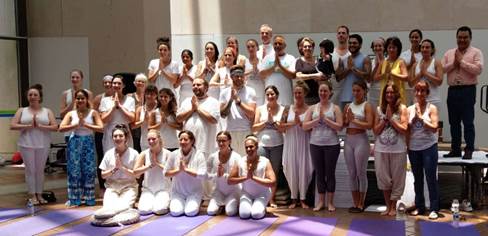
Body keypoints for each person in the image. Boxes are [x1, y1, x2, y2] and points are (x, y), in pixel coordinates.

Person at [10, 84, 58, 205]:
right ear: (27, 97)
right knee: (30, 170)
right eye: (30, 94)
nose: (32, 97)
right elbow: (13, 125)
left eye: (35, 95)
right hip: (27, 144)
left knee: (39, 170)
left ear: (39, 97)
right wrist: (28, 126)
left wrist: (41, 126)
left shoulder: (47, 111)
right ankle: (32, 195)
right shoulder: (22, 110)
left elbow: (55, 126)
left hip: (43, 144)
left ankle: (40, 194)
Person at [442, 26, 484, 159]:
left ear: (470, 38)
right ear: (456, 38)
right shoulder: (449, 53)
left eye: (465, 37)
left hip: (468, 90)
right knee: (453, 122)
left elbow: (478, 69)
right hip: (453, 90)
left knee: (468, 121)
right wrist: (454, 64)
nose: (462, 39)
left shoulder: (476, 52)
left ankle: (469, 149)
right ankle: (455, 149)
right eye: (460, 37)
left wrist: (462, 62)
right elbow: (442, 69)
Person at [302, 81, 343, 212]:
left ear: (330, 92)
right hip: (315, 144)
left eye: (325, 91)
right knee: (319, 174)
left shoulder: (335, 108)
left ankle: (330, 202)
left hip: (332, 144)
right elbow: (305, 126)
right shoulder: (312, 108)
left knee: (329, 173)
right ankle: (320, 202)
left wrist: (325, 120)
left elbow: (339, 127)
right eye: (321, 91)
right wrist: (317, 120)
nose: (323, 93)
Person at [59, 89, 103, 207]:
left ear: (87, 99)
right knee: (74, 170)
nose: (80, 100)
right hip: (75, 142)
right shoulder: (71, 114)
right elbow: (61, 128)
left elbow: (101, 127)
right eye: (78, 98)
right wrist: (75, 125)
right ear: (75, 100)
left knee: (88, 170)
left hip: (88, 141)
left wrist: (85, 124)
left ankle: (89, 197)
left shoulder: (93, 112)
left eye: (82, 98)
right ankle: (74, 198)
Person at [372, 83, 408, 216]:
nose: (389, 95)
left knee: (397, 180)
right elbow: (375, 130)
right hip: (381, 149)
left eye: (392, 92)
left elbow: (404, 129)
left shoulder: (402, 109)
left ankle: (393, 206)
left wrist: (391, 118)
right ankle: (388, 206)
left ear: (396, 94)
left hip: (398, 149)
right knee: (383, 179)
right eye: (387, 92)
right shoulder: (378, 109)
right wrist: (384, 120)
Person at [407, 81, 440, 220]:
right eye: (417, 90)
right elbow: (406, 130)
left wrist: (421, 119)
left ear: (427, 93)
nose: (419, 93)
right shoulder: (409, 109)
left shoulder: (432, 108)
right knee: (417, 179)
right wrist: (411, 122)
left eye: (423, 91)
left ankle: (434, 208)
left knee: (431, 178)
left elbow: (434, 127)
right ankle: (420, 207)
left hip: (429, 147)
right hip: (414, 148)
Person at [95, 124, 140, 223]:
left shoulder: (134, 153)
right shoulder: (108, 153)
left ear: (126, 138)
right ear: (112, 138)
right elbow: (103, 175)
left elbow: (137, 175)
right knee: (108, 209)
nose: (118, 138)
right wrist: (114, 169)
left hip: (129, 186)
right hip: (112, 186)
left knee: (123, 208)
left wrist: (122, 168)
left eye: (120, 136)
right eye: (115, 136)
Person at [280, 81, 313, 209]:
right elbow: (281, 127)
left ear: (304, 93)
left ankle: (303, 199)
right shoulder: (287, 109)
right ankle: (294, 198)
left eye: (300, 93)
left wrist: (301, 124)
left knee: (305, 169)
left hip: (304, 142)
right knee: (290, 168)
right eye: (295, 93)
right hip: (290, 142)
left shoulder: (310, 109)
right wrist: (294, 124)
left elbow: (312, 128)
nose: (297, 95)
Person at [342, 80, 374, 213]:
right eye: (353, 90)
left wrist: (353, 120)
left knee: (361, 173)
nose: (355, 93)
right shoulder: (348, 106)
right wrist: (346, 120)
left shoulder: (366, 106)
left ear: (364, 91)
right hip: (348, 140)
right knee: (352, 173)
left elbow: (369, 125)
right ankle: (355, 202)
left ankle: (361, 202)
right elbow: (344, 124)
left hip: (361, 139)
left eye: (358, 90)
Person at [228, 135, 276, 219]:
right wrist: (245, 178)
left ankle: (262, 208)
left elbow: (272, 182)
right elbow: (230, 180)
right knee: (244, 214)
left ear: (257, 147)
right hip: (246, 194)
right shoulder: (240, 161)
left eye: (251, 147)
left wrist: (253, 178)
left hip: (262, 194)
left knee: (256, 214)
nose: (248, 149)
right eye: (246, 147)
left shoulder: (265, 161)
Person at [252, 85, 284, 208]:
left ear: (277, 95)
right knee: (261, 171)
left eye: (272, 94)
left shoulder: (282, 109)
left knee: (274, 173)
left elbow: (283, 128)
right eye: (268, 95)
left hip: (277, 144)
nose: (270, 96)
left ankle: (271, 199)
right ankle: (260, 197)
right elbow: (254, 127)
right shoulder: (260, 109)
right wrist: (265, 122)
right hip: (262, 144)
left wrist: (274, 122)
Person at [164, 130, 207, 217]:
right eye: (181, 139)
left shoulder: (199, 155)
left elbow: (203, 175)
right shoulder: (173, 154)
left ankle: (197, 201)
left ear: (192, 141)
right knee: (176, 212)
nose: (183, 142)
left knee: (190, 212)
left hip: (194, 192)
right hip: (177, 192)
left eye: (185, 139)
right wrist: (178, 170)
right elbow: (166, 173)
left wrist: (186, 170)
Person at [176, 78, 220, 158]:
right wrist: (191, 109)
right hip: (187, 146)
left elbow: (213, 120)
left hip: (205, 146)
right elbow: (179, 119)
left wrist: (198, 109)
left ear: (206, 88)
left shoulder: (213, 102)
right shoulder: (186, 101)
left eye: (199, 85)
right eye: (193, 85)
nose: (195, 87)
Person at [220, 65, 257, 155]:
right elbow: (223, 114)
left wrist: (238, 101)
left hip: (246, 131)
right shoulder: (224, 92)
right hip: (231, 131)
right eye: (237, 76)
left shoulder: (250, 91)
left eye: (242, 76)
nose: (240, 78)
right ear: (231, 77)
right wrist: (231, 100)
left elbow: (252, 113)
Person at [133, 129, 172, 215]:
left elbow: (173, 172)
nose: (151, 141)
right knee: (144, 211)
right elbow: (135, 173)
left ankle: (166, 201)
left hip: (163, 189)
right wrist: (149, 166)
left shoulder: (167, 153)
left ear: (159, 139)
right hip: (148, 190)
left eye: (153, 139)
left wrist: (157, 164)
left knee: (159, 210)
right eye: (149, 139)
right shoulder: (143, 154)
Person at [206, 131, 242, 216]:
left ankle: (232, 203)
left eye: (224, 141)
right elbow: (206, 175)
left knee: (230, 212)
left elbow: (240, 176)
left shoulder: (237, 157)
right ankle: (221, 204)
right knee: (210, 212)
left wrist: (224, 176)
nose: (221, 143)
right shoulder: (212, 157)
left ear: (229, 141)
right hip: (218, 191)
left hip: (233, 191)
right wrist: (217, 175)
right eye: (219, 141)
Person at [100, 75, 136, 153]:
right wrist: (113, 107)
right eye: (114, 83)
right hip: (110, 132)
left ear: (123, 85)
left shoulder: (130, 100)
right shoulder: (105, 100)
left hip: (125, 131)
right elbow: (104, 119)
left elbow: (132, 118)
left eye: (119, 83)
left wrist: (120, 106)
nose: (116, 85)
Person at [336, 34, 371, 109]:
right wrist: (348, 69)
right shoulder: (343, 59)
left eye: (355, 43)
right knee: (345, 120)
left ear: (360, 45)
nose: (352, 45)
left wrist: (353, 69)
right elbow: (338, 78)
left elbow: (368, 78)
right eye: (350, 43)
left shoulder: (365, 58)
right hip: (345, 97)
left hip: (359, 97)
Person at [259, 35, 296, 105]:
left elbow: (293, 75)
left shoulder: (291, 58)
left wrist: (280, 66)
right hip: (270, 98)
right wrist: (273, 67)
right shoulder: (267, 58)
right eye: (275, 43)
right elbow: (261, 75)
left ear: (285, 46)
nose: (277, 45)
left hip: (286, 100)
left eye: (280, 43)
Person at [409, 39, 444, 110]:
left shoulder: (437, 62)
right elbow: (411, 83)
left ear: (432, 50)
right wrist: (420, 74)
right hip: (418, 100)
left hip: (433, 100)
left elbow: (439, 81)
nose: (424, 49)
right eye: (422, 47)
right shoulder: (415, 65)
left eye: (427, 47)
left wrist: (426, 73)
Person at [374, 37, 409, 106]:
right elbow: (375, 78)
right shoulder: (383, 62)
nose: (391, 50)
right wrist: (385, 74)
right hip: (385, 97)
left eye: (394, 47)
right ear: (386, 49)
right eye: (389, 47)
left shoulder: (401, 62)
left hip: (398, 97)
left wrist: (392, 73)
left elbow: (406, 77)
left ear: (398, 49)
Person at [93, 75, 114, 190]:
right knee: (102, 157)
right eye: (105, 82)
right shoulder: (98, 98)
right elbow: (93, 115)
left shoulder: (118, 97)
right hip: (101, 131)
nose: (107, 84)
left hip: (113, 131)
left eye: (109, 82)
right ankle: (102, 187)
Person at [295, 37, 327, 105]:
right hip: (305, 97)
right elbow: (299, 76)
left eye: (309, 46)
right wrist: (315, 76)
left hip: (320, 96)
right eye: (305, 46)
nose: (307, 48)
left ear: (313, 48)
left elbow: (325, 75)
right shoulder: (299, 61)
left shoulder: (319, 60)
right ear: (302, 49)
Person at [133, 84, 159, 151]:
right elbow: (133, 126)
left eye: (152, 94)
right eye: (147, 94)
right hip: (144, 141)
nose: (149, 96)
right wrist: (143, 121)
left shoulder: (160, 108)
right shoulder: (139, 109)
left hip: (158, 141)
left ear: (156, 95)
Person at [331, 25, 351, 104]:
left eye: (343, 33)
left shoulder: (352, 53)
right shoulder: (331, 53)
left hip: (349, 93)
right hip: (333, 94)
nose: (341, 35)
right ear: (337, 36)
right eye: (339, 33)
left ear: (348, 36)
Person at [128, 73, 148, 152]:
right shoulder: (130, 96)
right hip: (135, 127)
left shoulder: (149, 96)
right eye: (138, 81)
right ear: (134, 83)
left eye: (143, 82)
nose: (141, 83)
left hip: (146, 127)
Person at [245, 38, 265, 106]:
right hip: (249, 94)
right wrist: (251, 71)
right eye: (248, 47)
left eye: (253, 46)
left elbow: (266, 76)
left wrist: (258, 72)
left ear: (257, 48)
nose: (250, 48)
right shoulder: (244, 62)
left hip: (260, 93)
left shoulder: (263, 61)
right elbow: (241, 75)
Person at [369, 38, 386, 108]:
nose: (377, 48)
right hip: (373, 94)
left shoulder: (388, 61)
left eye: (380, 46)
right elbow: (370, 79)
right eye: (375, 46)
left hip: (385, 94)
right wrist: (377, 66)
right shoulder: (370, 62)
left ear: (384, 48)